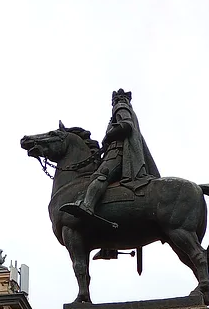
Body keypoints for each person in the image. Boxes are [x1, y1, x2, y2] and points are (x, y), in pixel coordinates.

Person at [62, 88, 159, 223]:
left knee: (101, 175)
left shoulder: (120, 107)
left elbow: (127, 125)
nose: (116, 102)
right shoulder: (125, 109)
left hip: (118, 152)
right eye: (115, 100)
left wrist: (109, 134)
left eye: (117, 100)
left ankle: (88, 206)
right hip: (115, 151)